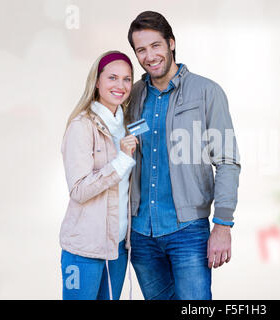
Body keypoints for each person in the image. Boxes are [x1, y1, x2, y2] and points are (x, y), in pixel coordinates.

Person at [126, 11, 241, 300]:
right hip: (141, 233)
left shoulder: (207, 92)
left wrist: (223, 225)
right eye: (141, 49)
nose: (150, 56)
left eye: (155, 45)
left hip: (188, 231)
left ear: (171, 43)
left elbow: (227, 161)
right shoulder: (133, 94)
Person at [59, 50, 138, 300]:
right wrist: (122, 160)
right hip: (84, 249)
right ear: (97, 81)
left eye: (127, 79)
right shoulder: (81, 126)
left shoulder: (128, 125)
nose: (121, 85)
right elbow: (79, 190)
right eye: (112, 78)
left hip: (117, 248)